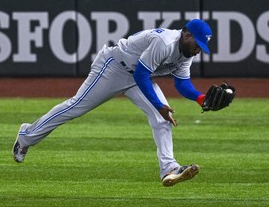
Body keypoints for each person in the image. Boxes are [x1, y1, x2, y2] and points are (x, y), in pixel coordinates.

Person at [13, 19, 212, 187]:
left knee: (164, 119)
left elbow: (182, 82)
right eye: (198, 45)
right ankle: (26, 135)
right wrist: (157, 105)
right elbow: (142, 74)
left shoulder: (186, 53)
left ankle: (169, 168)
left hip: (137, 77)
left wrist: (200, 98)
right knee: (75, 107)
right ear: (187, 35)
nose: (198, 51)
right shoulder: (165, 42)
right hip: (114, 67)